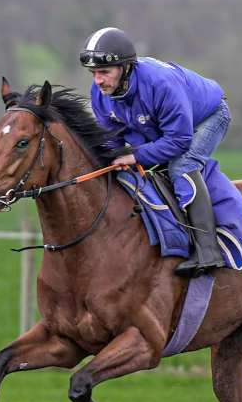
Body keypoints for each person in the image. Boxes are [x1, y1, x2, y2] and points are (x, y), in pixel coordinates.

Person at [82, 27, 231, 277]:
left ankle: (208, 251)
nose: (98, 81)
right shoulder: (100, 93)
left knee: (181, 166)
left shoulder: (159, 83)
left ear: (126, 68)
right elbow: (111, 141)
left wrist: (134, 155)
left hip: (208, 117)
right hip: (163, 127)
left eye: (105, 72)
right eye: (93, 73)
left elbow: (180, 141)